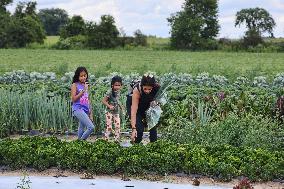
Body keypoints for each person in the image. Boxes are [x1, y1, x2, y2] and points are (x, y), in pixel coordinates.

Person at [126, 73, 160, 143]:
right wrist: (133, 128)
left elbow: (160, 101)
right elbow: (134, 111)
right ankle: (135, 145)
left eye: (149, 89)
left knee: (152, 126)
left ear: (153, 87)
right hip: (133, 105)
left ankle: (154, 145)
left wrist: (156, 102)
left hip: (147, 104)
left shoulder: (157, 88)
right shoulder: (137, 90)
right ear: (142, 86)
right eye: (145, 89)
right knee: (139, 129)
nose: (147, 91)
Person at [71, 67, 95, 140]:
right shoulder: (75, 85)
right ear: (77, 76)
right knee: (91, 127)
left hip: (85, 110)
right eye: (81, 76)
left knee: (81, 128)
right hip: (78, 109)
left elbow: (88, 100)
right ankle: (80, 142)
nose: (83, 77)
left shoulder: (86, 85)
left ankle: (79, 143)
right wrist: (83, 91)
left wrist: (90, 113)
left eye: (85, 75)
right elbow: (73, 99)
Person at [102, 76, 123, 142]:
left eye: (119, 85)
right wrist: (109, 106)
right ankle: (106, 140)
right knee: (109, 127)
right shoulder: (110, 92)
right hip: (109, 112)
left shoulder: (118, 92)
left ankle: (116, 140)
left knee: (117, 126)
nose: (117, 87)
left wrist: (121, 106)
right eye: (116, 85)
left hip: (116, 112)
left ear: (121, 85)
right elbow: (103, 101)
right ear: (112, 85)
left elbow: (117, 100)